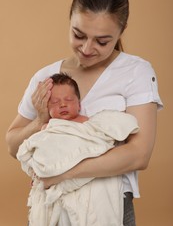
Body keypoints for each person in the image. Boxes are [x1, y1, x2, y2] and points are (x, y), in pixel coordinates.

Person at [6, 0, 163, 225]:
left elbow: (138, 155)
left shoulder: (137, 72)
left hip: (108, 206)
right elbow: (13, 146)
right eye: (79, 35)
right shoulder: (46, 78)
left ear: (121, 31)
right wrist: (39, 121)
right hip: (51, 207)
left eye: (102, 41)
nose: (88, 48)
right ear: (69, 20)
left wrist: (62, 173)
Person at [17, 72, 139, 226]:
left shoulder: (88, 124)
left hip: (89, 175)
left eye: (68, 100)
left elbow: (100, 140)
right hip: (57, 179)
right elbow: (42, 153)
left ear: (79, 104)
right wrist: (39, 170)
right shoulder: (48, 128)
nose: (62, 104)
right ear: (46, 108)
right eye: (54, 102)